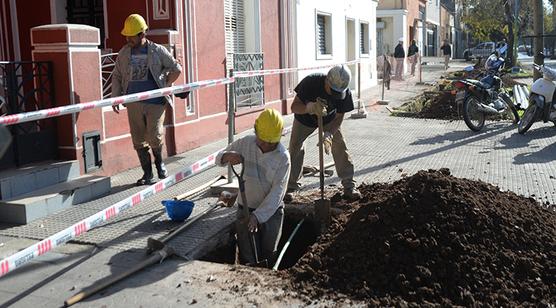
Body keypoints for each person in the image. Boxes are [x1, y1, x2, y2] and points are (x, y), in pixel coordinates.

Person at [111, 14, 183, 186]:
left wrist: (165, 84)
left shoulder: (157, 50)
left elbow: (176, 68)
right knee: (138, 139)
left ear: (142, 34)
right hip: (133, 102)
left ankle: (159, 164)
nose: (128, 38)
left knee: (154, 135)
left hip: (155, 102)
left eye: (132, 35)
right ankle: (147, 173)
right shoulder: (124, 53)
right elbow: (117, 75)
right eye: (127, 35)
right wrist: (115, 97)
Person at [216, 109, 290, 266]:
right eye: (262, 140)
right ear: (256, 132)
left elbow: (278, 192)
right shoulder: (246, 143)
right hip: (245, 210)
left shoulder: (283, 158)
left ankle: (268, 281)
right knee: (248, 254)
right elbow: (219, 156)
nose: (266, 145)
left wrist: (258, 216)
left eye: (271, 142)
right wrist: (226, 156)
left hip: (271, 213)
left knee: (269, 253)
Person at [284, 65, 362, 203]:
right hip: (304, 119)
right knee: (296, 147)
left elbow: (339, 117)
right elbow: (294, 107)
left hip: (329, 120)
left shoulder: (344, 92)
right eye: (332, 90)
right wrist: (310, 107)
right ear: (326, 80)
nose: (334, 94)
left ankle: (349, 186)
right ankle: (291, 187)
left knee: (339, 146)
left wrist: (329, 134)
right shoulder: (310, 82)